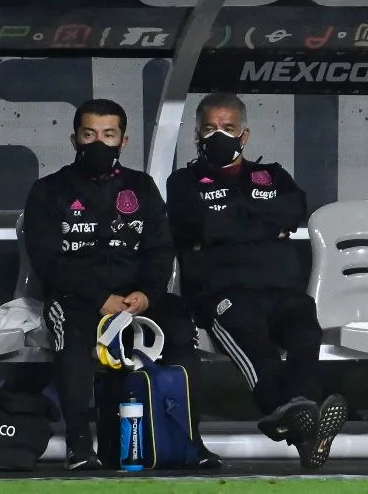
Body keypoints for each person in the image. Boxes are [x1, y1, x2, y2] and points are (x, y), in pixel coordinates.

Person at [22, 99, 221, 470]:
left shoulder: (141, 187)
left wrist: (146, 295)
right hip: (78, 298)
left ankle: (190, 440)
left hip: (137, 298)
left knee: (180, 323)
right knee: (74, 335)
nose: (99, 143)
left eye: (108, 135)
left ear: (123, 141)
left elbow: (161, 250)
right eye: (89, 134)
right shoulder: (49, 190)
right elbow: (48, 261)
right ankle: (79, 445)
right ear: (74, 139)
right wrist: (101, 299)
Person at [166, 93, 347, 471]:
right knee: (256, 346)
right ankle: (294, 419)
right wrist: (263, 223)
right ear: (197, 133)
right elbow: (197, 224)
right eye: (211, 128)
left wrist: (227, 222)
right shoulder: (183, 182)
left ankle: (297, 418)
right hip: (222, 294)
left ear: (244, 135)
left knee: (305, 331)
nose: (219, 135)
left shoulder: (273, 175)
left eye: (228, 128)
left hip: (281, 292)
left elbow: (294, 210)